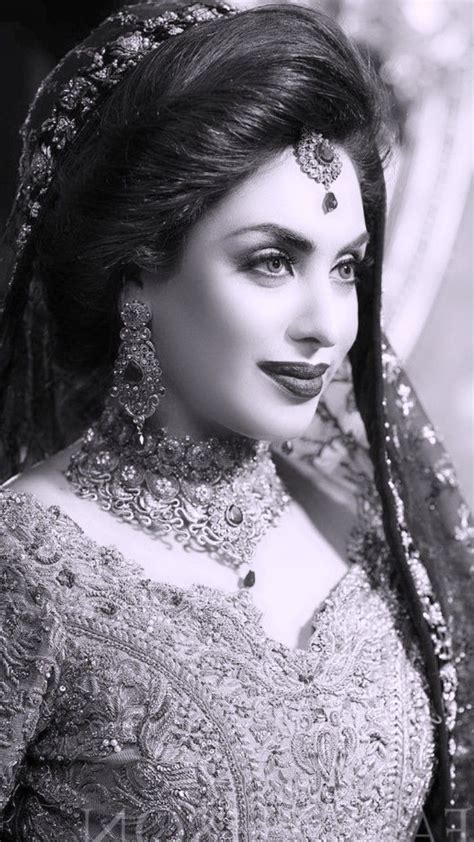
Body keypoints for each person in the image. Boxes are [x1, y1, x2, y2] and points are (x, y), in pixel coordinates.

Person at [0, 2, 472, 839]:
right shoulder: (24, 570)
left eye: (347, 268)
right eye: (271, 260)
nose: (327, 325)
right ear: (138, 265)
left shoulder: (362, 532)